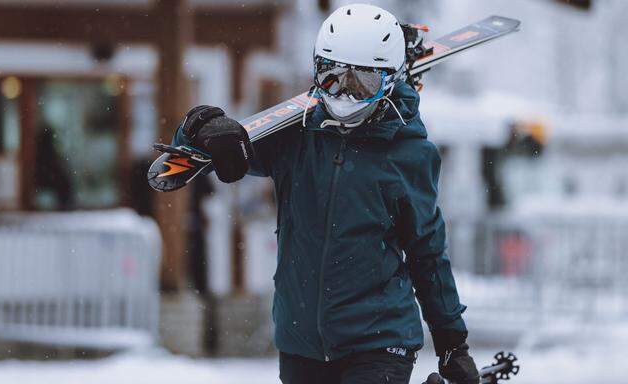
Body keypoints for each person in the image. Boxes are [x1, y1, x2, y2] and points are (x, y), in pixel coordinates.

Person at [172, 4, 479, 383]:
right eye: (332, 77)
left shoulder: (408, 153)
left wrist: (452, 342)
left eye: (362, 83)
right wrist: (200, 125)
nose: (345, 94)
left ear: (389, 82)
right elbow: (205, 149)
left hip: (379, 341)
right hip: (301, 340)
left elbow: (427, 252)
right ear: (316, 68)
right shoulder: (294, 136)